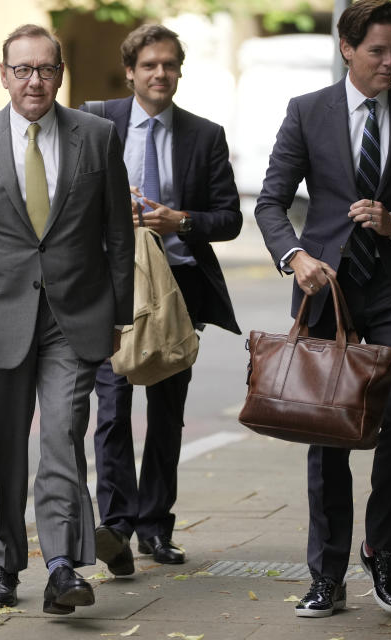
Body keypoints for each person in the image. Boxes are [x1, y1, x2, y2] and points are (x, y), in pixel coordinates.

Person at [0, 24, 134, 615]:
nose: (34, 81)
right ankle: (3, 566)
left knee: (62, 433)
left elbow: (118, 233)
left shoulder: (98, 137)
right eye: (23, 70)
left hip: (75, 315)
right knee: (4, 450)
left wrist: (119, 312)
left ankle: (62, 567)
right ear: (4, 74)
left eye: (45, 70)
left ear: (59, 74)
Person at [255, 0, 391, 619]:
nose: (389, 62)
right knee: (329, 433)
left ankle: (380, 547)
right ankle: (327, 574)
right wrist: (296, 257)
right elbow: (270, 202)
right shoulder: (306, 111)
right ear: (347, 47)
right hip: (329, 291)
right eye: (377, 50)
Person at [83, 24, 242, 577]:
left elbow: (230, 219)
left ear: (179, 71)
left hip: (175, 292)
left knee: (168, 415)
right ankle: (118, 527)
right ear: (130, 71)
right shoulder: (95, 119)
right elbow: (68, 196)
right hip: (111, 290)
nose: (160, 74)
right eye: (149, 65)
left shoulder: (205, 135)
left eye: (169, 65)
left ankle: (156, 526)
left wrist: (182, 221)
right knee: (112, 409)